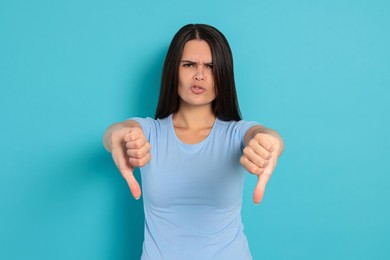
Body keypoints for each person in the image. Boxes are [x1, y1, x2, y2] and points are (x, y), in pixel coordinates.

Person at [103, 24, 284, 260]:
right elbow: (119, 132)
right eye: (189, 65)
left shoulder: (238, 134)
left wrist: (269, 142)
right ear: (173, 71)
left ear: (224, 74)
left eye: (211, 66)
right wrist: (116, 135)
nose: (199, 75)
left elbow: (264, 135)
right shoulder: (149, 133)